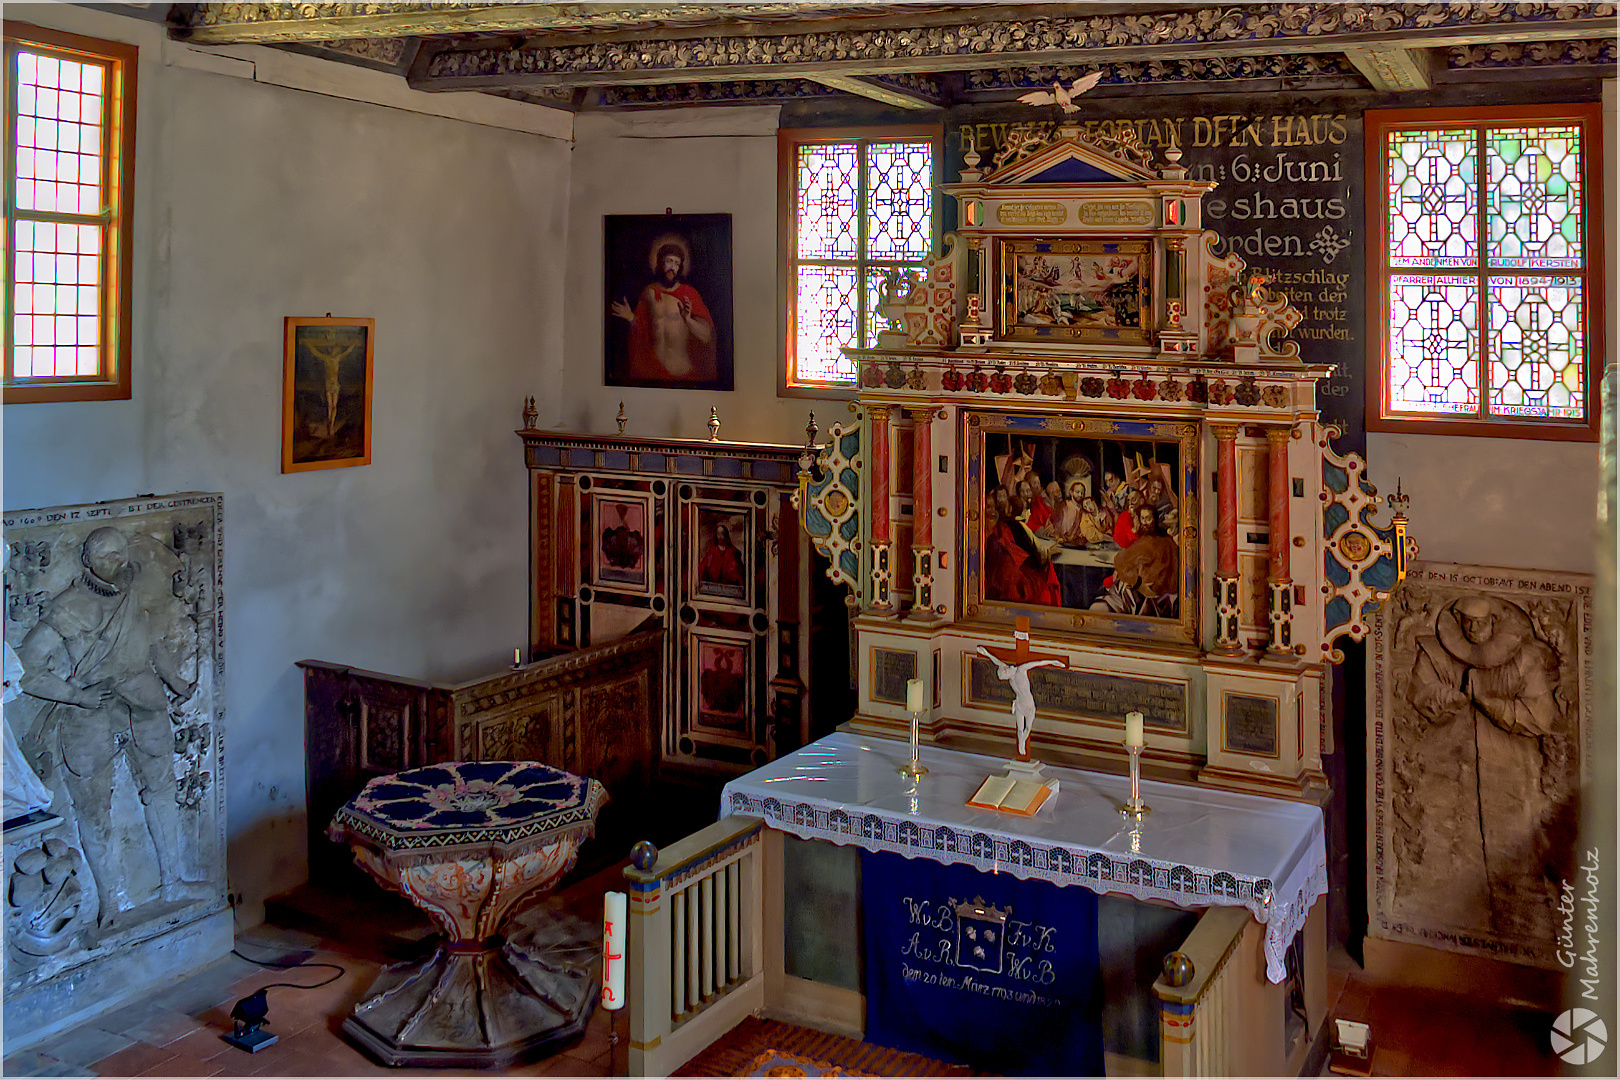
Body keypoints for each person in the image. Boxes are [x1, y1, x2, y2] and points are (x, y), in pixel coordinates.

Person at [16, 527, 198, 928]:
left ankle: (173, 883)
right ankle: (112, 904)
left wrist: (177, 682)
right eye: (106, 555)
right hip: (90, 711)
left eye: (120, 553)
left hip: (145, 704)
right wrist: (74, 695)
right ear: (87, 560)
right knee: (95, 812)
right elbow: (26, 668)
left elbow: (151, 647)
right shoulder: (70, 606)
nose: (117, 562)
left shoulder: (134, 596)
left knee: (162, 793)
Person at [1406, 595, 1565, 935]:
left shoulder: (1525, 658)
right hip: (1448, 767)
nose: (1474, 628)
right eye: (1466, 621)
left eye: (1481, 621)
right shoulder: (1437, 651)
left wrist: (1490, 704)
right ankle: (1443, 929)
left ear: (1497, 620)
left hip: (1509, 770)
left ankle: (1524, 932)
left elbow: (1540, 718)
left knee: (1516, 855)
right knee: (1447, 849)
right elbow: (1421, 692)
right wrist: (1447, 698)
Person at [611, 240, 716, 382]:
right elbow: (643, 330)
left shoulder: (688, 294)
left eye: (677, 263)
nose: (672, 267)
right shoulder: (649, 293)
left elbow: (706, 335)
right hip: (652, 369)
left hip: (681, 371)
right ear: (660, 263)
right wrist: (630, 317)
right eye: (669, 261)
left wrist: (688, 320)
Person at [698, 523, 746, 590]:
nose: (720, 536)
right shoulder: (712, 551)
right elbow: (703, 568)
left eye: (722, 533)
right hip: (713, 587)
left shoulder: (733, 552)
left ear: (726, 535)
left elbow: (738, 573)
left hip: (730, 588)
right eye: (718, 534)